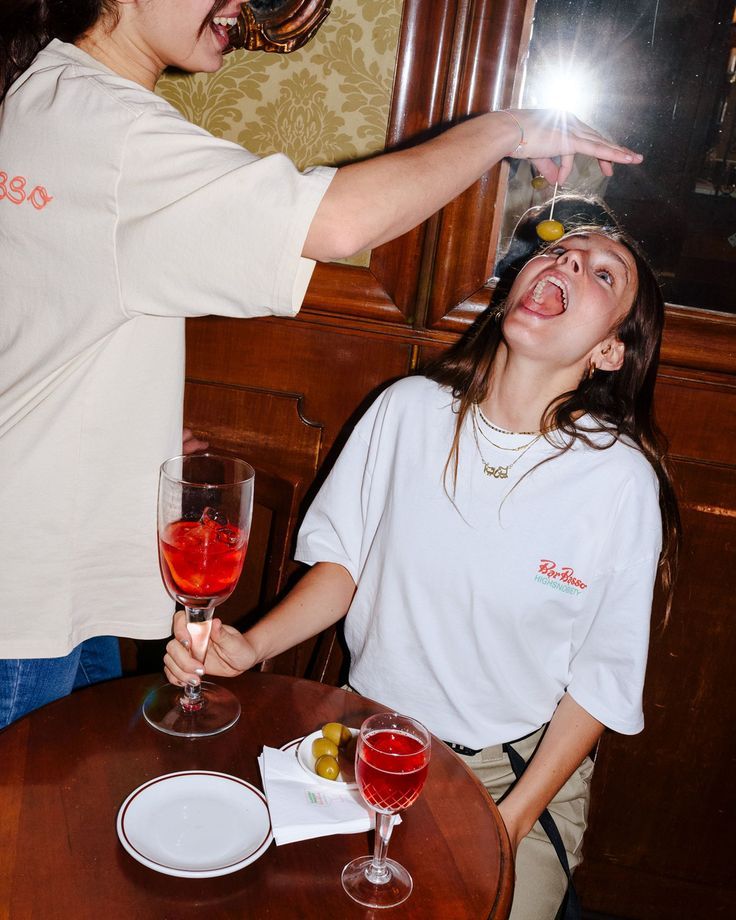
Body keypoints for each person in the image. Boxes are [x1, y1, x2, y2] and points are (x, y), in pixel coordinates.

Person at [0, 0, 644, 730]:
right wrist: (510, 128)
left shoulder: (41, 93)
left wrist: (121, 434)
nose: (241, 1)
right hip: (29, 584)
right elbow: (338, 221)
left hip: (53, 559)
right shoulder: (108, 130)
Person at [164, 223, 680, 919]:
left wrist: (513, 820)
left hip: (512, 769)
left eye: (603, 273)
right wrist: (250, 646)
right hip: (365, 741)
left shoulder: (619, 482)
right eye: (559, 251)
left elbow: (600, 686)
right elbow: (346, 565)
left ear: (611, 350)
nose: (567, 261)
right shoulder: (406, 410)